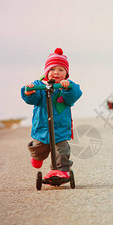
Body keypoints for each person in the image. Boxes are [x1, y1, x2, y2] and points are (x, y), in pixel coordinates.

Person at [21, 48, 82, 179]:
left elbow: (74, 95)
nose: (56, 73)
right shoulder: (39, 85)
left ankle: (62, 171)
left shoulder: (67, 85)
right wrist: (28, 92)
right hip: (41, 127)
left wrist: (67, 88)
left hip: (60, 128)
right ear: (47, 71)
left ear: (66, 73)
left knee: (62, 151)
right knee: (39, 150)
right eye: (53, 69)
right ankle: (36, 157)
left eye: (61, 70)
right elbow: (32, 98)